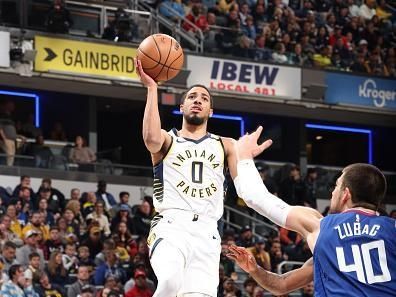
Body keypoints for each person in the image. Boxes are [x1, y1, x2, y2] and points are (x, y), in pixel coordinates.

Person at [135, 59, 268, 297]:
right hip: (171, 225)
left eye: (204, 98)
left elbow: (246, 189)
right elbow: (150, 139)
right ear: (182, 107)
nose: (198, 100)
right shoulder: (168, 139)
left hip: (207, 232)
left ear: (211, 111)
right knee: (169, 282)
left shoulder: (225, 144)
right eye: (192, 97)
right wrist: (152, 88)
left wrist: (245, 159)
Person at [233, 126, 396, 296]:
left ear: (345, 194)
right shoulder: (393, 230)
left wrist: (244, 156)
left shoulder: (321, 227)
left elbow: (256, 197)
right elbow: (282, 285)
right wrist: (254, 268)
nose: (333, 192)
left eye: (337, 186)